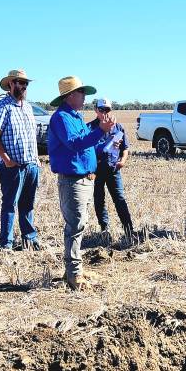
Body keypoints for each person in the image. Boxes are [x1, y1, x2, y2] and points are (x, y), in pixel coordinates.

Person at [46, 75, 112, 290]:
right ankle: (74, 274)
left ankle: (73, 271)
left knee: (79, 225)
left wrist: (108, 141)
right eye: (81, 92)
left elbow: (87, 148)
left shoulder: (74, 117)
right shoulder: (61, 118)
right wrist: (100, 131)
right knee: (75, 226)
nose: (84, 97)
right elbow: (75, 144)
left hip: (84, 179)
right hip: (73, 181)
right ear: (70, 95)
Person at [0, 69, 41, 250]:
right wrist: (6, 160)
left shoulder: (27, 107)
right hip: (11, 167)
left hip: (31, 164)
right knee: (10, 205)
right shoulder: (2, 107)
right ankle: (6, 244)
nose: (23, 86)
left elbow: (31, 136)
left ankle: (29, 239)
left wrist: (36, 159)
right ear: (10, 84)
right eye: (19, 82)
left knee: (28, 205)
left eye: (25, 83)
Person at [90, 98, 135, 241]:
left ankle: (129, 230)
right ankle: (104, 229)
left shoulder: (118, 127)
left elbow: (125, 148)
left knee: (120, 199)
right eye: (101, 109)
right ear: (96, 110)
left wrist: (123, 161)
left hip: (113, 169)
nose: (104, 112)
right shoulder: (90, 128)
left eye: (107, 110)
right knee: (99, 200)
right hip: (96, 171)